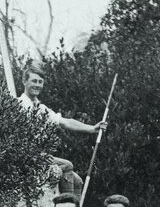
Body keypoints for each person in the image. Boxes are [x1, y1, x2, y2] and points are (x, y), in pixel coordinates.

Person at [17, 61, 106, 194]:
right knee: (67, 165)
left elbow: (65, 122)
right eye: (34, 81)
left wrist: (92, 128)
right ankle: (65, 204)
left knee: (77, 181)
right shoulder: (20, 105)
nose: (37, 85)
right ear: (25, 81)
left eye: (40, 82)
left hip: (40, 156)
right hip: (26, 156)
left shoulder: (41, 108)